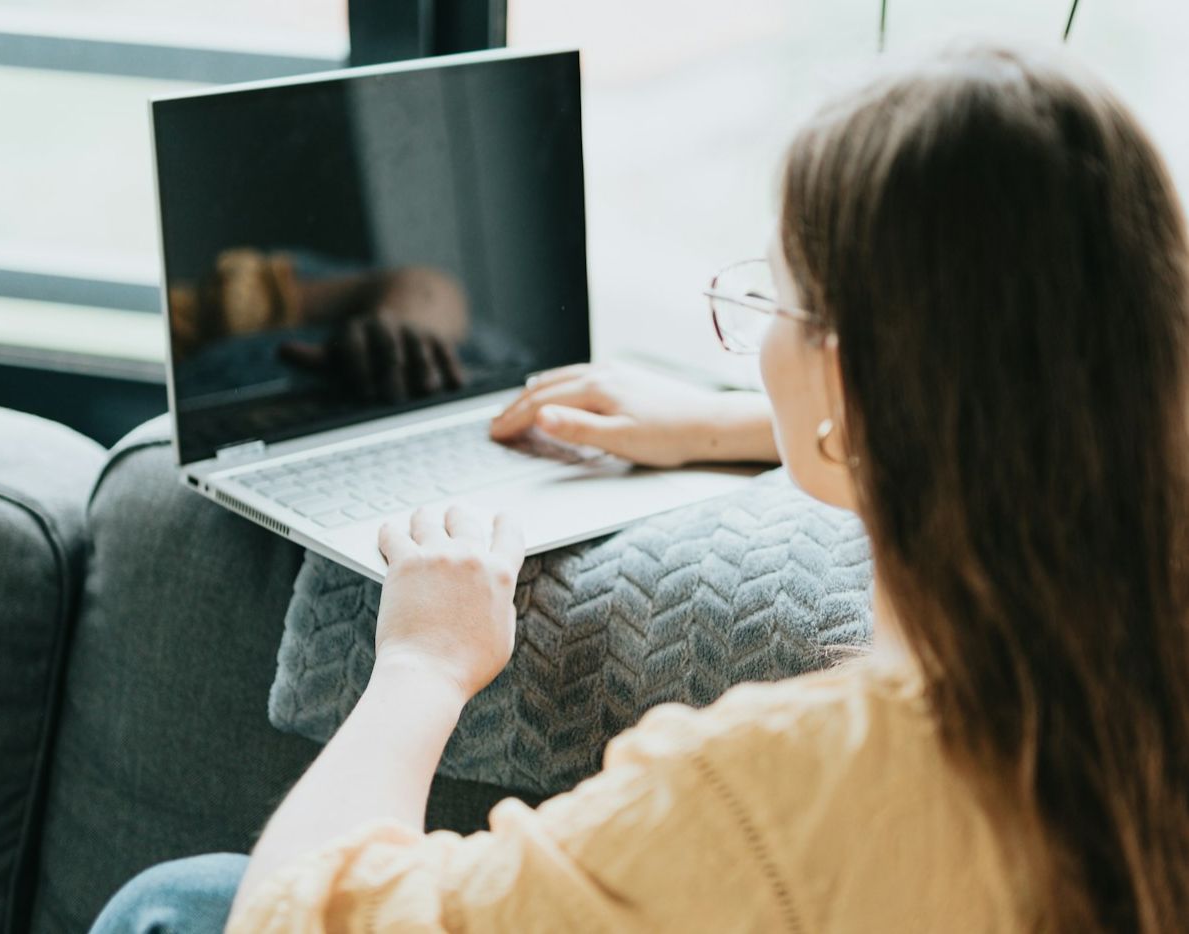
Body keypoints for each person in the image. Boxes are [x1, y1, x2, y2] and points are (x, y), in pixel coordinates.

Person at [92, 43, 1189, 932]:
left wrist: (423, 661)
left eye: (767, 301)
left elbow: (294, 919)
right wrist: (737, 422)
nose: (753, 338)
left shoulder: (775, 796)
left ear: (850, 383)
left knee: (172, 906)